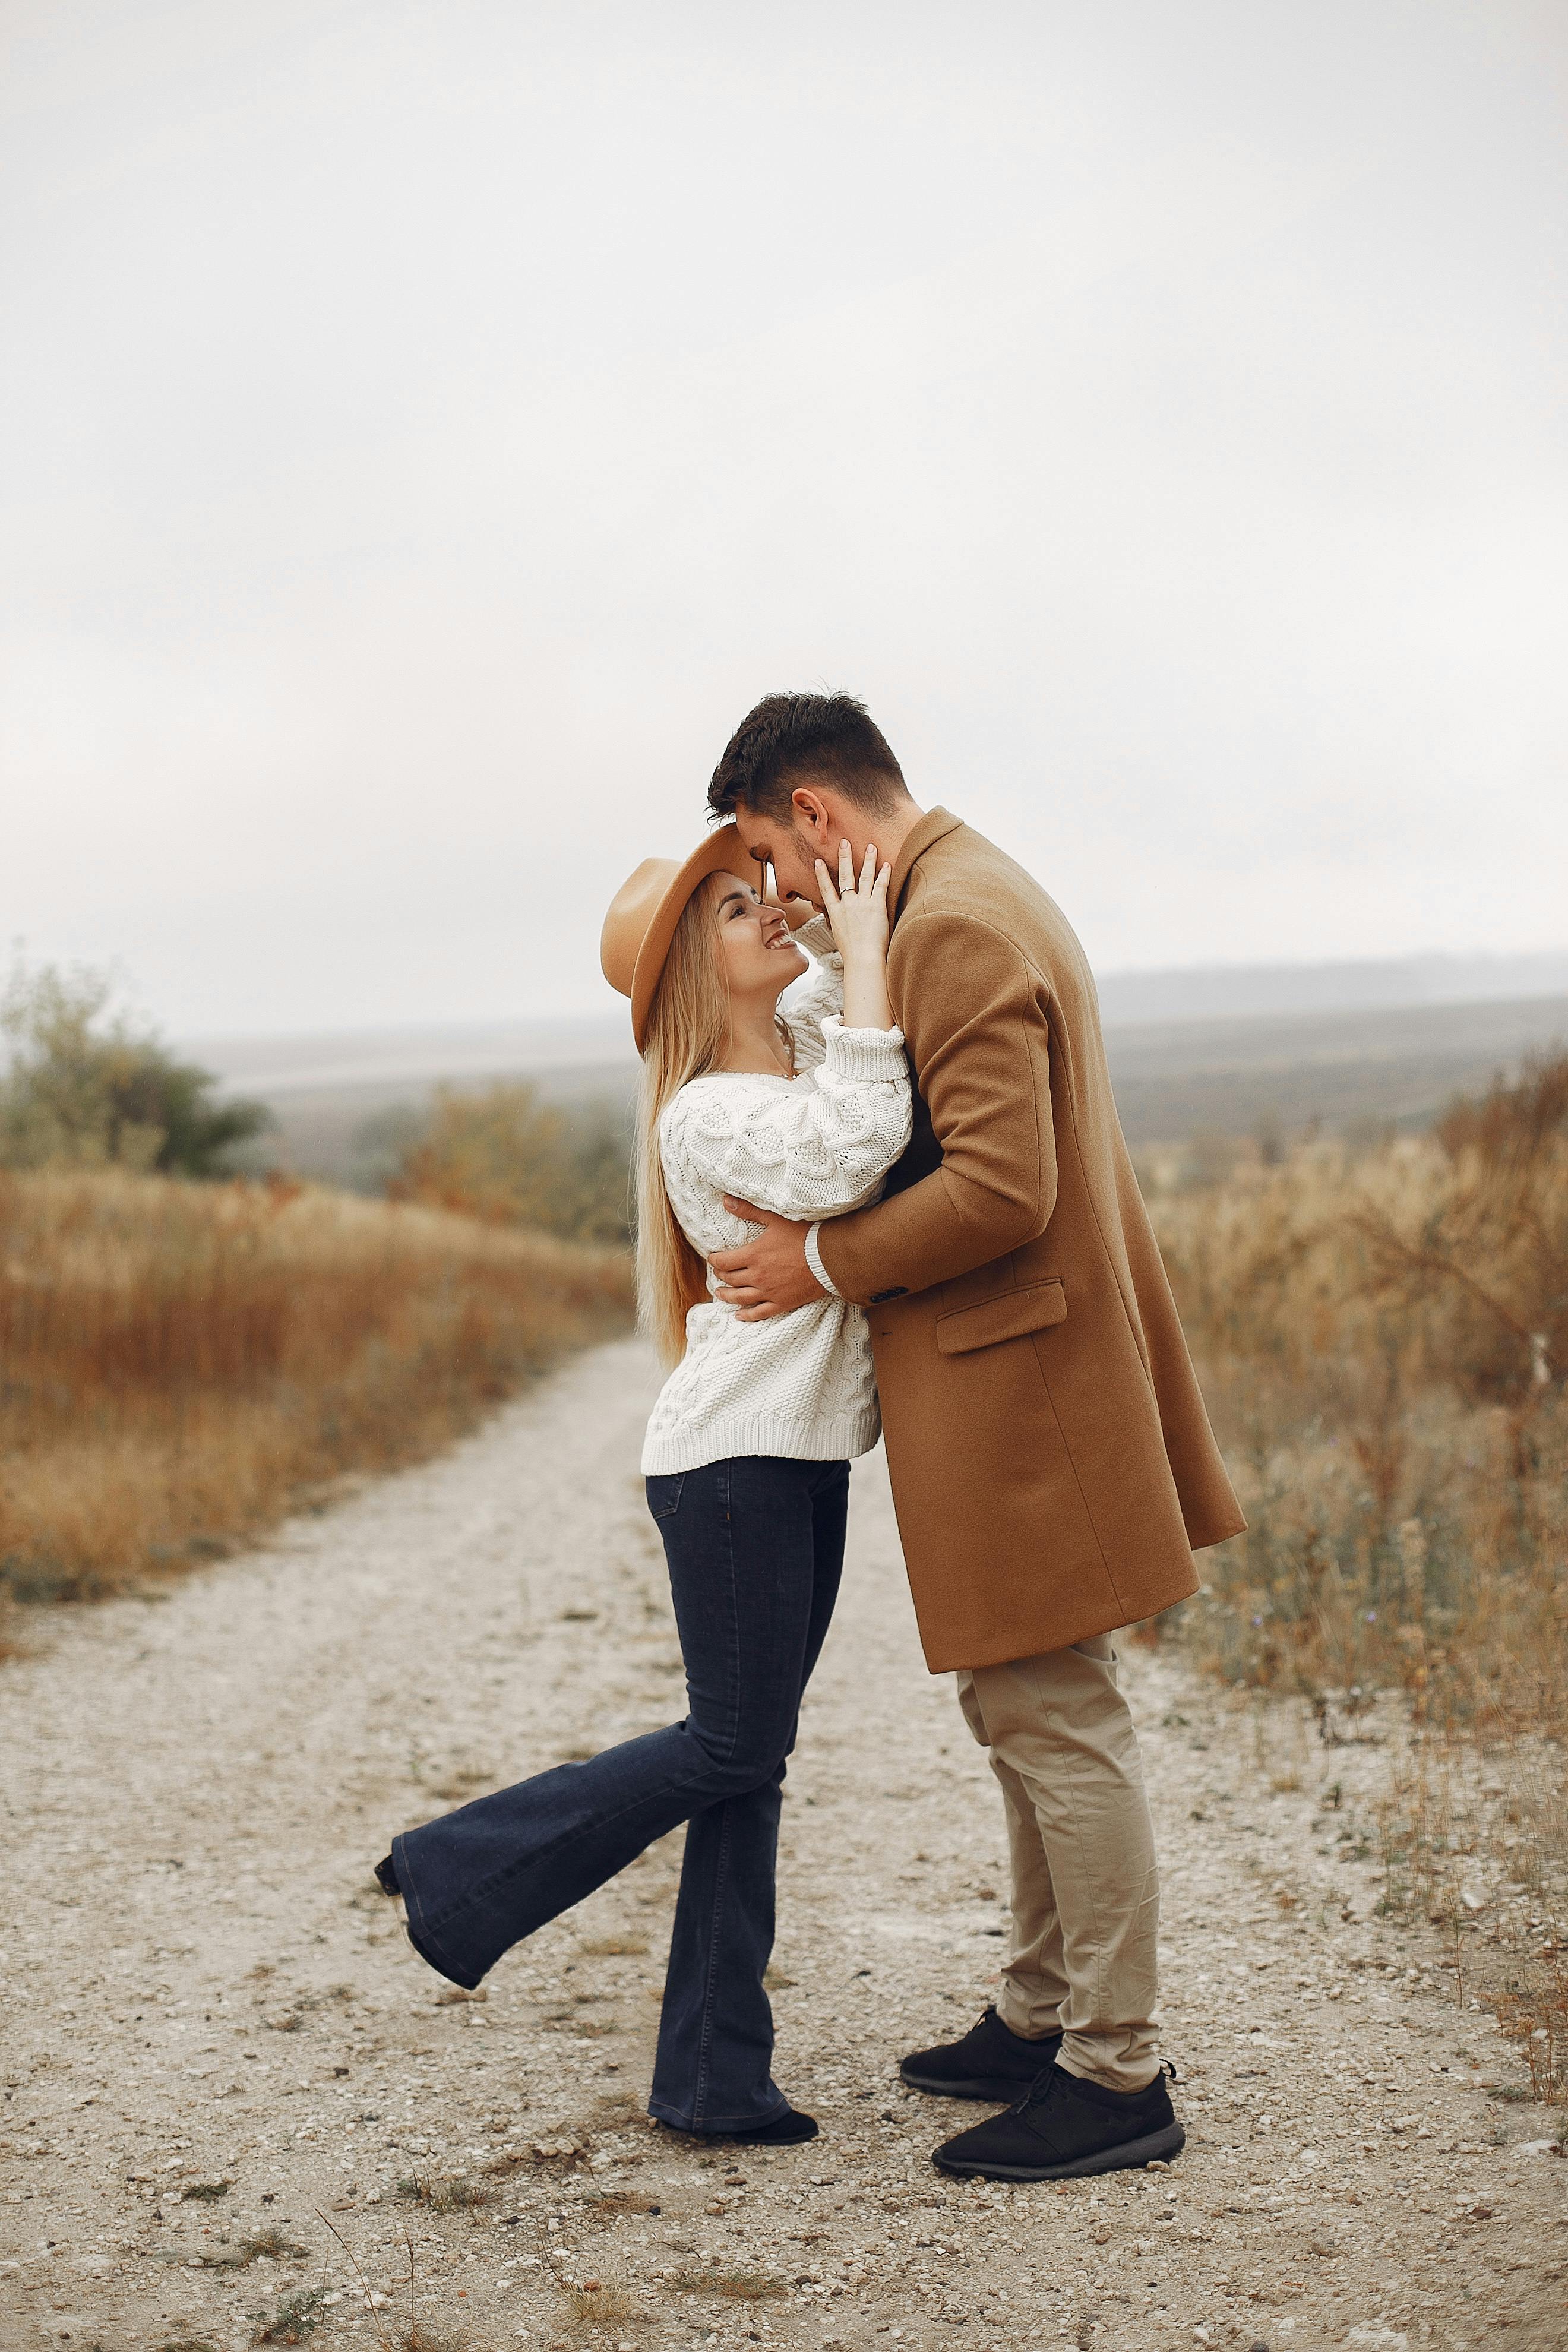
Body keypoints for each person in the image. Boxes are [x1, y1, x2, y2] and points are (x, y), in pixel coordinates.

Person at [703, 691, 1247, 2183]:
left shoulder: (950, 927)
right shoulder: (959, 892)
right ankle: (1039, 2010)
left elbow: (1002, 1188)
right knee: (1022, 1713)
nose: (781, 891)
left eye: (772, 855)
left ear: (816, 813)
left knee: (1055, 1719)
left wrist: (817, 1261)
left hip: (1027, 1387)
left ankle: (1116, 2073)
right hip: (1026, 1375)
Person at [374, 828, 911, 2145]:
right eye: (733, 912)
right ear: (687, 976)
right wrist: (859, 954)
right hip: (734, 1466)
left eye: (757, 897)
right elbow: (861, 1142)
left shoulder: (786, 1056)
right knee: (731, 1746)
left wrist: (819, 923)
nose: (766, 915)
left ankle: (714, 2076)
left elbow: (834, 1021)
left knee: (750, 1764)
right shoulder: (711, 1110)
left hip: (790, 1460)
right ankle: (460, 1868)